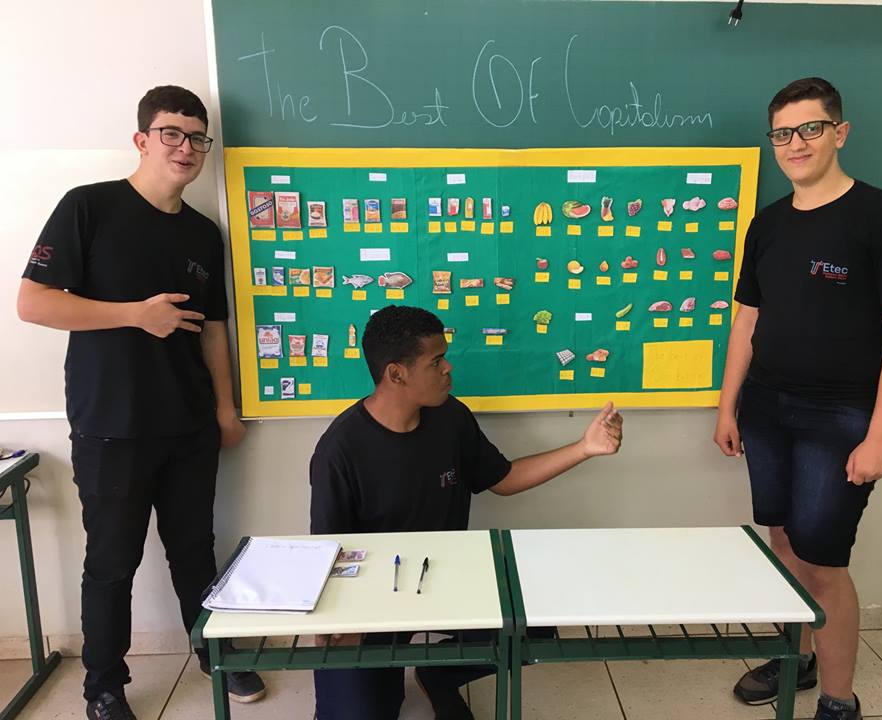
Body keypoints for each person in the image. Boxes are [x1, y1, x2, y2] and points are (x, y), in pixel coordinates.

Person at [17, 86, 265, 720]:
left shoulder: (203, 233)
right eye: (171, 133)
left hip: (189, 423)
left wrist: (225, 409)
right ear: (142, 139)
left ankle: (214, 652)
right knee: (111, 562)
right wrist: (135, 314)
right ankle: (104, 686)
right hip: (111, 426)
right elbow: (33, 303)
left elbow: (214, 329)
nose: (186, 148)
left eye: (197, 138)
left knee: (195, 549)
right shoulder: (89, 206)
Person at [714, 77, 882, 720]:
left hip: (839, 418)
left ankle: (840, 702)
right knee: (784, 540)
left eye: (810, 128)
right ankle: (800, 656)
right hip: (765, 407)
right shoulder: (767, 223)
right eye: (782, 133)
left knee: (823, 562)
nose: (796, 143)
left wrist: (881, 436)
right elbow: (747, 319)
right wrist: (728, 405)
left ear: (840, 133)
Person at [309, 305, 624, 720]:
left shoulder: (450, 417)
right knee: (357, 713)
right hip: (375, 603)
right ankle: (377, 676)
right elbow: (327, 553)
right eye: (436, 360)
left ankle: (439, 673)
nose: (448, 368)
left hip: (447, 582)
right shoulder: (340, 449)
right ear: (396, 374)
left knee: (532, 630)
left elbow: (504, 478)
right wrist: (340, 630)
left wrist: (584, 448)